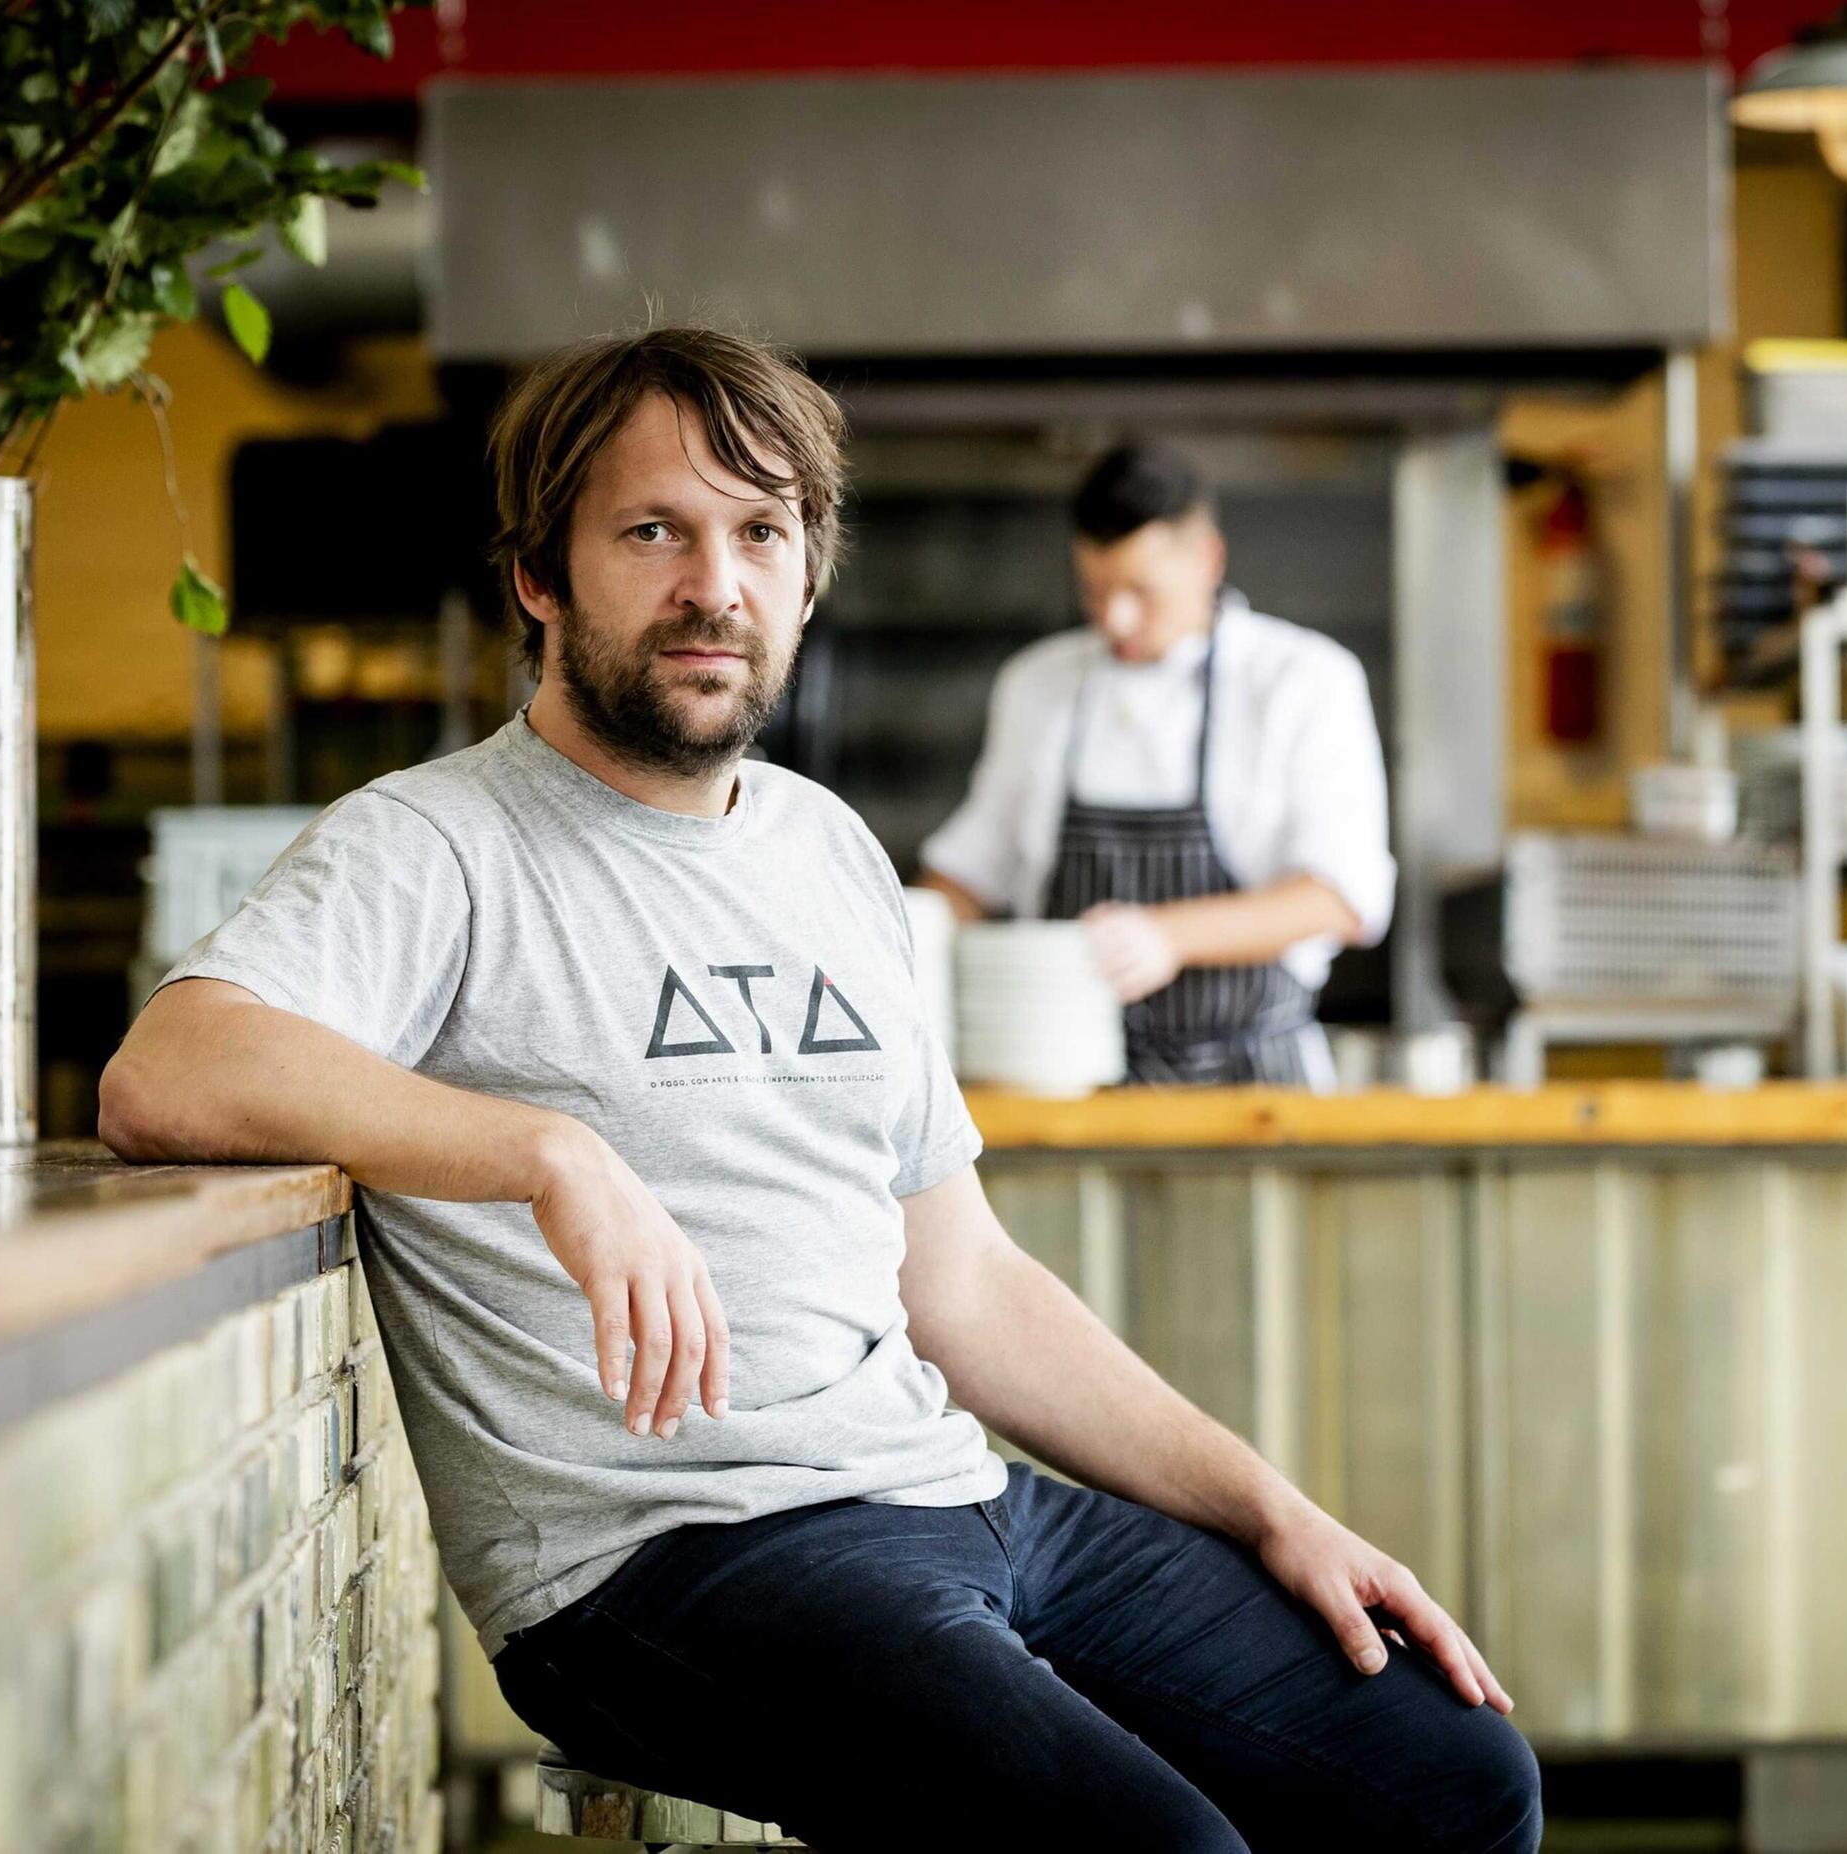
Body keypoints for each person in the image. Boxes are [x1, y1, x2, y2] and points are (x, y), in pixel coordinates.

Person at [98, 328, 1536, 1854]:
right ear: (539, 577)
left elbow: (965, 1282)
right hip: (664, 1558)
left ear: (805, 576)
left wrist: (1268, 1510)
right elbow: (166, 1067)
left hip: (949, 1490)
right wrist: (546, 1150)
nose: (713, 584)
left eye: (760, 533)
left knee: (1455, 1778)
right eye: (653, 532)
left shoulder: (830, 848)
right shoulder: (434, 843)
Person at [916, 442, 1393, 1085]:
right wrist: (903, 936)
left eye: (1142, 592)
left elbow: (1342, 898)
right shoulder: (1038, 684)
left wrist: (1168, 935)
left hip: (1255, 1087)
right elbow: (970, 874)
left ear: (1208, 559)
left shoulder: (1303, 680)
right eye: (1095, 591)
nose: (1116, 619)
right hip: (1068, 1086)